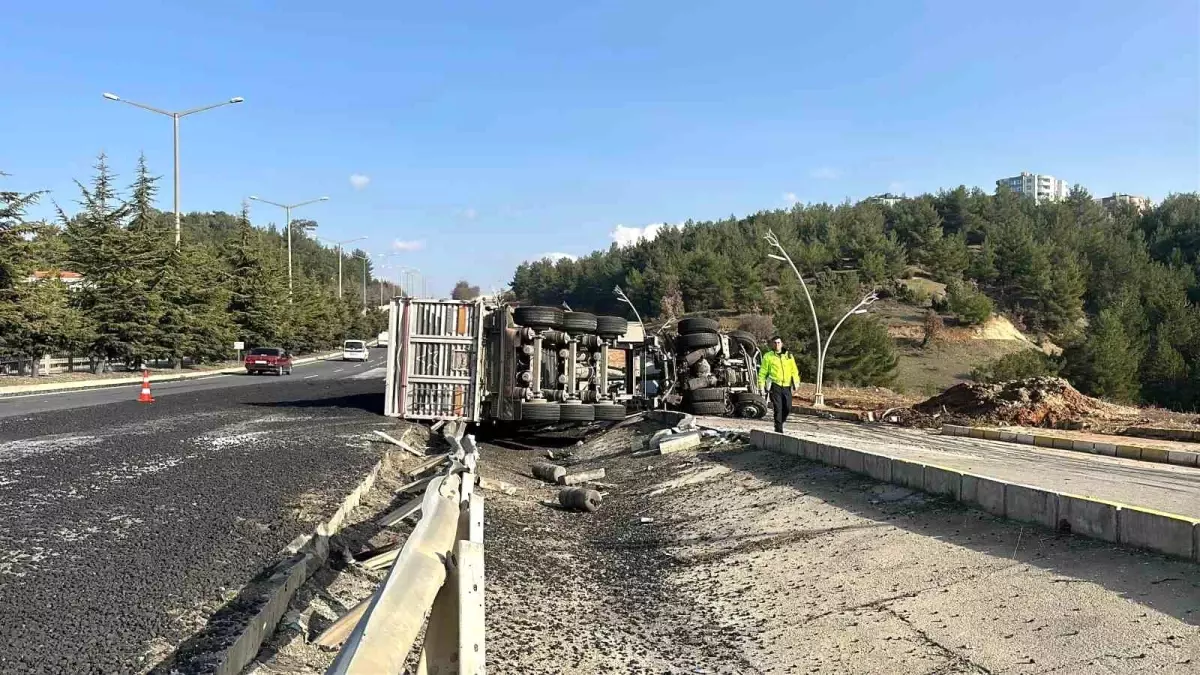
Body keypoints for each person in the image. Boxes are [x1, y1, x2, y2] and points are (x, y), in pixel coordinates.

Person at [757, 335, 800, 433]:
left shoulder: (789, 355)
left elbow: (794, 370)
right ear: (772, 344)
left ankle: (781, 421)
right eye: (775, 343)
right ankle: (778, 428)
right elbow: (763, 372)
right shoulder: (768, 356)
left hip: (786, 385)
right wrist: (761, 385)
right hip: (775, 385)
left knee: (787, 407)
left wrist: (796, 382)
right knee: (778, 408)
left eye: (778, 343)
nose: (777, 345)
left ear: (782, 344)